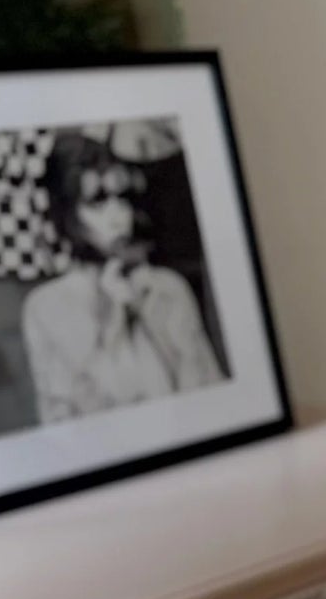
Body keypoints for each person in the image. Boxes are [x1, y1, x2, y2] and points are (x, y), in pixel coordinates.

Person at [21, 130, 225, 422]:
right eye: (97, 201)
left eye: (123, 197)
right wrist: (113, 325)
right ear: (67, 212)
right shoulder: (44, 307)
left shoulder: (167, 287)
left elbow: (209, 396)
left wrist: (144, 316)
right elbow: (65, 425)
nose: (119, 216)